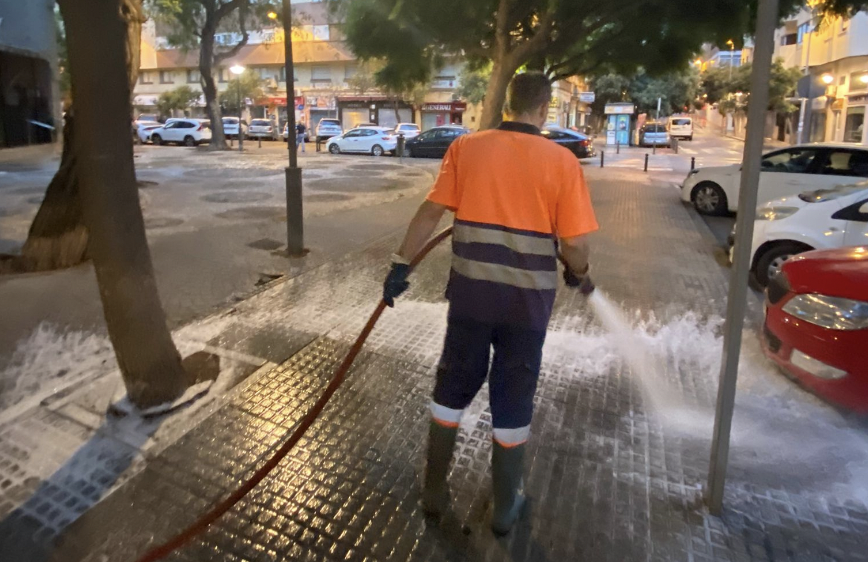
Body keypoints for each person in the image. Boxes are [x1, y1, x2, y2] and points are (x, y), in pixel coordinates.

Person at [382, 72, 598, 535]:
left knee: (451, 389)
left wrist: (401, 265)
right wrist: (578, 273)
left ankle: (434, 491)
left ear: (508, 105)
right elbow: (576, 245)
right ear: (544, 110)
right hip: (527, 309)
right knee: (513, 398)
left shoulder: (467, 148)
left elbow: (430, 212)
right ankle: (505, 509)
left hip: (471, 299)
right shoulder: (562, 163)